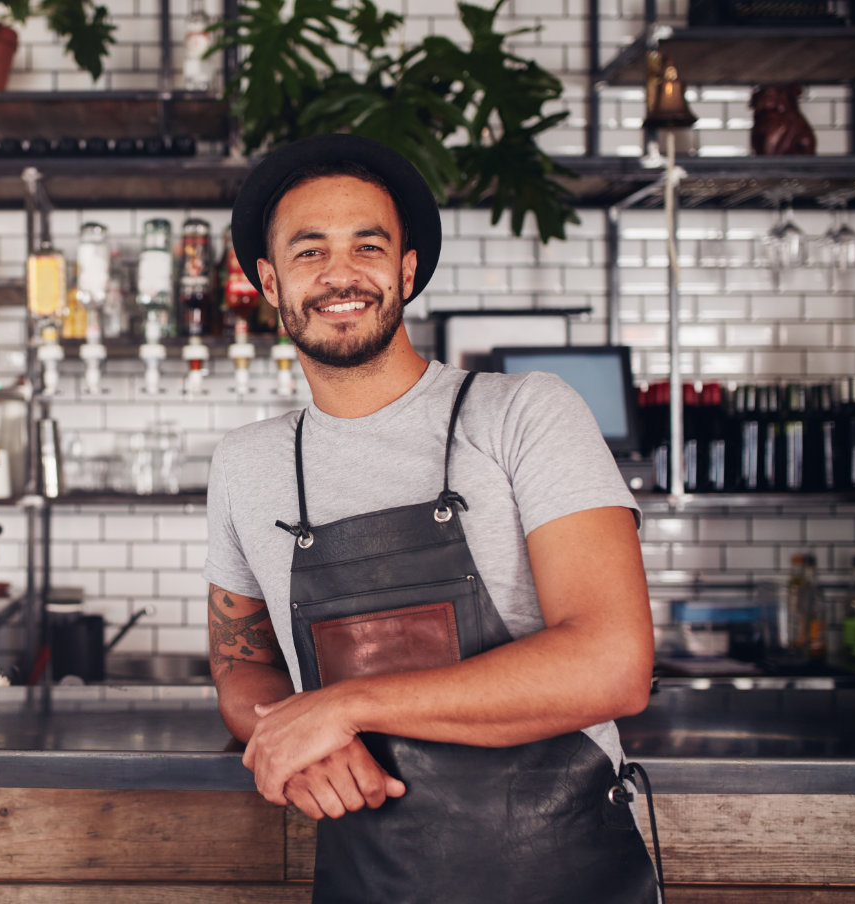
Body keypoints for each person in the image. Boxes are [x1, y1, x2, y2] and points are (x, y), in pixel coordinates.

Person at [202, 133, 660, 903]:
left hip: (565, 877)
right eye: (309, 252)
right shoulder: (248, 463)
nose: (340, 274)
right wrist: (288, 737)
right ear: (268, 282)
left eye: (368, 246)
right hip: (368, 881)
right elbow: (241, 666)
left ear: (406, 271)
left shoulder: (524, 413)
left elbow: (614, 665)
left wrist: (341, 708)